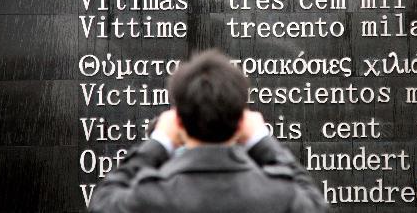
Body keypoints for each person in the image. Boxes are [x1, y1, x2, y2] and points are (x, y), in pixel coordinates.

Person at [88, 50, 327, 213]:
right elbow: (317, 206)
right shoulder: (278, 194)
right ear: (241, 121)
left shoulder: (150, 196)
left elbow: (102, 202)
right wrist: (261, 141)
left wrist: (159, 142)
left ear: (177, 121)